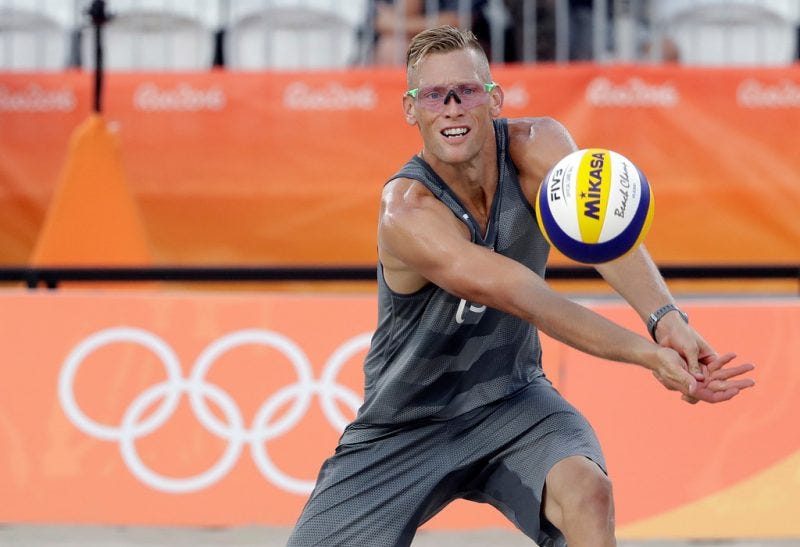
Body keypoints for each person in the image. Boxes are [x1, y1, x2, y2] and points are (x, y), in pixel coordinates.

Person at [288, 25, 755, 546]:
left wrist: (667, 321)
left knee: (587, 494)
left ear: (494, 99)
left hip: (512, 399)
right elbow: (526, 297)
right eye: (434, 95)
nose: (451, 108)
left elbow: (602, 234)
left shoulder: (542, 147)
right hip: (405, 422)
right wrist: (649, 357)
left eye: (466, 91)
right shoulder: (408, 212)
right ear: (410, 109)